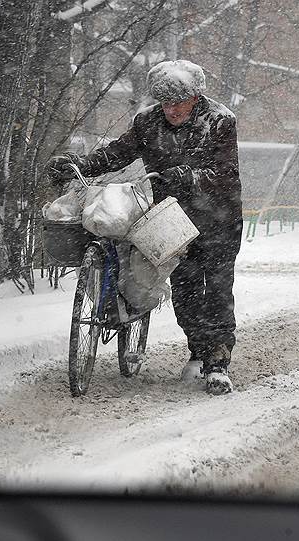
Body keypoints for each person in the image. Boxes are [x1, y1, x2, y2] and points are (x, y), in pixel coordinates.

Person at [45, 60, 241, 395]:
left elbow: (226, 174)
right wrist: (81, 165)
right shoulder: (147, 122)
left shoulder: (218, 120)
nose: (172, 110)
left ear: (196, 97)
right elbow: (117, 153)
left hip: (218, 219)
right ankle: (199, 351)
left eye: (179, 103)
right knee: (186, 288)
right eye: (166, 103)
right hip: (171, 219)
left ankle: (218, 362)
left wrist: (190, 176)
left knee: (217, 290)